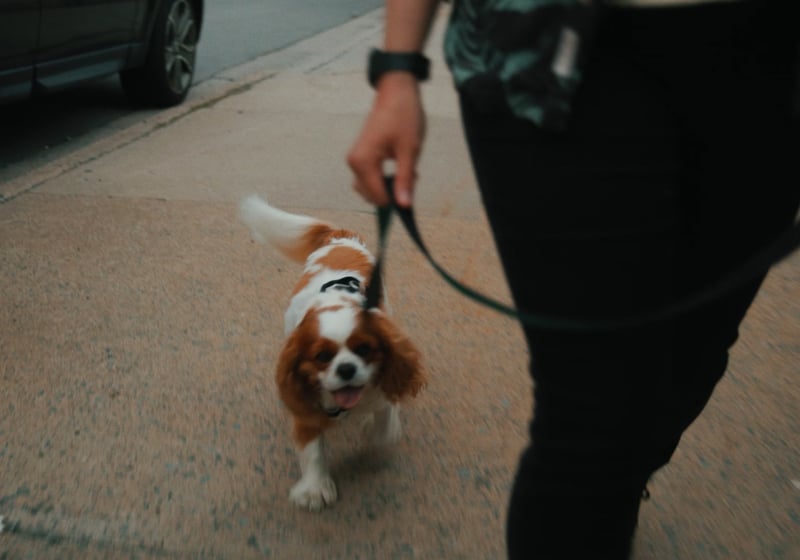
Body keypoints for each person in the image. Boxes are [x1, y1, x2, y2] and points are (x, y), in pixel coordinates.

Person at [347, 0, 800, 557]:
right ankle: (599, 490)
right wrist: (397, 69)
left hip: (770, 58)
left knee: (693, 356)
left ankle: (620, 477)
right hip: (545, 51)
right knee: (592, 413)